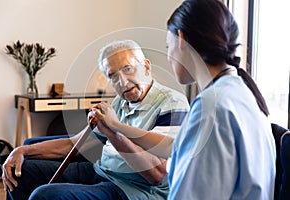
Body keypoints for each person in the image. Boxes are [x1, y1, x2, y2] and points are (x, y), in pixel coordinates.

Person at [92, 0, 276, 199]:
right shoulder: (237, 94)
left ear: (181, 39)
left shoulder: (211, 107)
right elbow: (174, 146)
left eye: (168, 46)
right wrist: (117, 127)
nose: (169, 57)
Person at [2, 40, 190, 200]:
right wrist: (21, 150)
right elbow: (75, 144)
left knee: (45, 195)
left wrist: (113, 131)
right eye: (113, 76)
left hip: (134, 189)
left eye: (128, 69)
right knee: (20, 171)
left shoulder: (172, 103)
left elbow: (156, 174)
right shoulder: (120, 101)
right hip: (100, 172)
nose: (123, 82)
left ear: (146, 66)